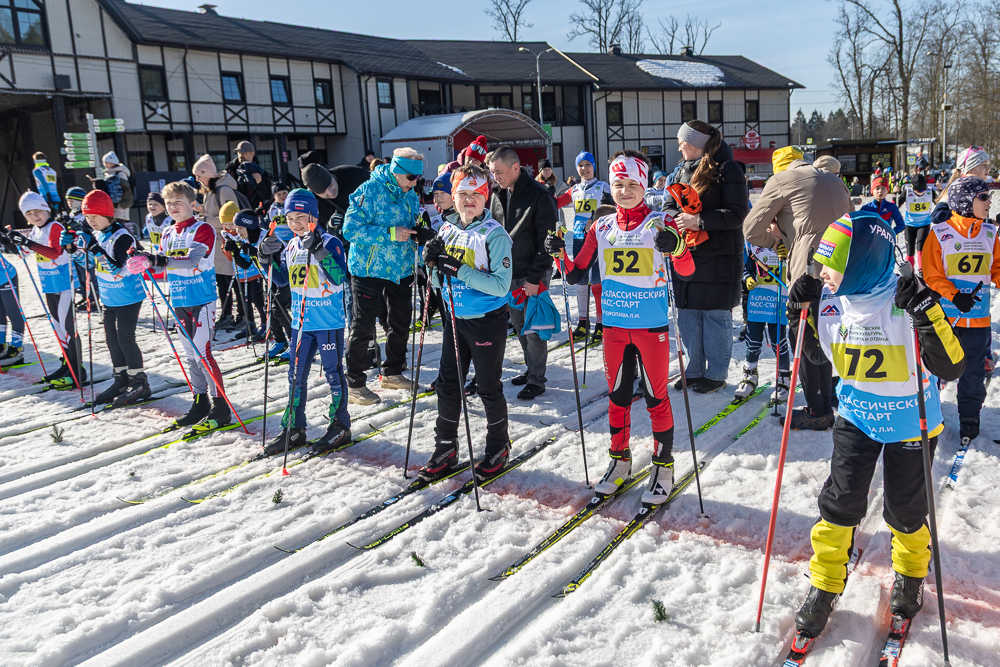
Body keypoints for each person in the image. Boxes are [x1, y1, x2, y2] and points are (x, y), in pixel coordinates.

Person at [786, 210, 965, 641]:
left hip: (910, 423)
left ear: (863, 262)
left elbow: (952, 365)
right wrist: (799, 312)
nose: (824, 273)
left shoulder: (903, 299)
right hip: (856, 418)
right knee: (839, 503)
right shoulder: (831, 302)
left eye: (834, 264)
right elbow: (811, 356)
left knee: (905, 511)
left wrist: (926, 312)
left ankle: (909, 574)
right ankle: (826, 583)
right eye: (822, 263)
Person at [543, 150, 695, 504]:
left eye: (632, 184)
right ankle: (619, 460)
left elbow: (687, 271)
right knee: (618, 398)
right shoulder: (602, 225)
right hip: (612, 326)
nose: (625, 191)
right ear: (610, 187)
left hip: (650, 327)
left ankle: (663, 466)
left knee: (657, 398)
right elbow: (577, 273)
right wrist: (559, 253)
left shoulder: (661, 223)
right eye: (618, 184)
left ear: (643, 184)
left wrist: (676, 249)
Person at [743, 145, 854, 430]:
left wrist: (777, 243)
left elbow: (751, 230)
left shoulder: (781, 180)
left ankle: (818, 410)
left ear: (778, 168)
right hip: (844, 269)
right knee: (827, 333)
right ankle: (828, 396)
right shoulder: (835, 180)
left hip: (809, 271)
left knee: (804, 339)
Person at [418, 165, 513, 481]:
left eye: (476, 194)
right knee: (447, 384)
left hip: (487, 321)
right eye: (463, 195)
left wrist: (460, 270)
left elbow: (501, 286)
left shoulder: (494, 234)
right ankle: (445, 446)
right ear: (453, 199)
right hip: (455, 320)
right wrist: (429, 263)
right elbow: (436, 281)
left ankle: (498, 446)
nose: (469, 200)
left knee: (487, 387)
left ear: (485, 197)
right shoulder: (446, 230)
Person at [127, 180, 231, 434]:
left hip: (202, 300)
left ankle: (221, 407)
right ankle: (200, 401)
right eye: (169, 203)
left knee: (203, 355)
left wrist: (157, 259)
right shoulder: (167, 232)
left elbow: (192, 260)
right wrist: (145, 263)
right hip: (179, 301)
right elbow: (164, 267)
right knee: (190, 358)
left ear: (193, 204)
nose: (172, 207)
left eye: (178, 202)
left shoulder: (203, 228)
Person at [258, 189, 351, 454]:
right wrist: (266, 257)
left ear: (313, 215)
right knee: (295, 376)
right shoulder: (291, 245)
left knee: (334, 374)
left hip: (327, 322)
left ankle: (340, 426)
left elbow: (338, 278)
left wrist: (318, 249)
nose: (295, 223)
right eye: (289, 218)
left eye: (301, 216)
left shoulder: (330, 241)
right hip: (301, 324)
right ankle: (294, 428)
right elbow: (280, 281)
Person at [661, 120, 749, 394]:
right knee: (687, 315)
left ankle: (716, 373)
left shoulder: (727, 169)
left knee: (713, 316)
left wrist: (700, 220)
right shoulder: (678, 172)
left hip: (719, 256)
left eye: (682, 142)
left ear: (696, 143)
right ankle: (695, 368)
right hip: (685, 253)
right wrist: (676, 219)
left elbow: (737, 213)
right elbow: (667, 206)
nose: (679, 147)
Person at [343, 147, 434, 404]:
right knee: (363, 325)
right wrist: (390, 233)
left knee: (400, 321)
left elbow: (412, 223)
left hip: (400, 268)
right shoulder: (368, 191)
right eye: (411, 178)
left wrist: (420, 233)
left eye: (418, 179)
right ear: (396, 172)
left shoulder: (411, 196)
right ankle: (354, 383)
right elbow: (350, 230)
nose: (414, 184)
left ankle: (392, 372)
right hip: (368, 269)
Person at [921, 176, 1000, 444]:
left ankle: (969, 418)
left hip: (978, 320)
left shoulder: (990, 233)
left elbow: (997, 269)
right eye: (984, 197)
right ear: (966, 201)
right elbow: (931, 273)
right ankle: (932, 413)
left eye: (989, 196)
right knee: (937, 369)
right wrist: (953, 295)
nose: (989, 202)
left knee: (974, 374)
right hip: (947, 320)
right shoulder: (940, 233)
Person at [64, 190, 151, 405]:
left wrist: (94, 248)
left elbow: (118, 271)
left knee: (125, 339)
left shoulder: (122, 236)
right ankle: (121, 379)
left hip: (128, 296)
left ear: (107, 214)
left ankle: (139, 382)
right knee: (111, 340)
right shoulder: (99, 234)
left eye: (95, 216)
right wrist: (71, 249)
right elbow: (90, 264)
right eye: (87, 217)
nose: (90, 221)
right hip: (108, 296)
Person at [489, 145, 559, 400]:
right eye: (492, 172)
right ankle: (531, 370)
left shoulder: (540, 196)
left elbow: (547, 240)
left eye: (499, 171)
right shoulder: (498, 193)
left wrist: (534, 277)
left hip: (532, 273)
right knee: (519, 325)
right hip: (507, 272)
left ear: (515, 167)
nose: (495, 176)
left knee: (534, 328)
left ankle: (537, 380)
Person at [9, 192, 84, 386]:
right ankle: (66, 364)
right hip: (49, 286)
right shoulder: (35, 230)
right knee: (58, 328)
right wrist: (8, 238)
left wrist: (28, 243)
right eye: (29, 213)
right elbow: (22, 253)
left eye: (38, 211)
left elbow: (54, 252)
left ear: (46, 210)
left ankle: (78, 371)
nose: (35, 216)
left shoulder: (55, 227)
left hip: (64, 285)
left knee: (68, 329)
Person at [554, 151, 614, 344]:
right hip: (579, 238)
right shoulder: (575, 190)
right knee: (580, 282)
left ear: (594, 166)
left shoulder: (603, 186)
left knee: (596, 283)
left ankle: (601, 324)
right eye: (580, 165)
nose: (584, 169)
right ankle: (583, 322)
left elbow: (612, 209)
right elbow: (555, 204)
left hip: (597, 239)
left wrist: (595, 219)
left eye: (588, 165)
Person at [737, 226, 790, 403]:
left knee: (778, 341)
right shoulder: (754, 244)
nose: (768, 226)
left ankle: (783, 377)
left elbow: (795, 271)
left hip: (778, 300)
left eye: (773, 223)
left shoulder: (788, 242)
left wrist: (788, 257)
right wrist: (748, 278)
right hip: (758, 300)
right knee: (753, 340)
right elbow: (747, 269)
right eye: (765, 223)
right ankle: (750, 374)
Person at [193, 153, 240, 331]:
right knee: (222, 281)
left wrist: (204, 220)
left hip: (228, 242)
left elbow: (231, 218)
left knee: (233, 282)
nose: (197, 179)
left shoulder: (223, 189)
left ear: (208, 174)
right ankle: (227, 315)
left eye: (199, 175)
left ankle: (241, 316)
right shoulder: (210, 190)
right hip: (217, 244)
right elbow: (214, 212)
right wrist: (201, 210)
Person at [218, 202, 267, 340]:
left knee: (258, 300)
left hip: (254, 272)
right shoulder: (225, 233)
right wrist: (228, 249)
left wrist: (239, 250)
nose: (229, 227)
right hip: (239, 273)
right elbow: (229, 256)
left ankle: (265, 324)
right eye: (225, 223)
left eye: (231, 223)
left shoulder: (244, 232)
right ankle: (250, 324)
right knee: (244, 301)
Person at [897, 173, 935, 269]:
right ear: (913, 188)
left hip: (924, 224)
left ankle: (922, 272)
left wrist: (939, 190)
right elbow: (895, 206)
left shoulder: (930, 192)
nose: (921, 192)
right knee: (910, 252)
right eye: (918, 190)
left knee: (921, 250)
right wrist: (894, 195)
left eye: (923, 189)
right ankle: (910, 273)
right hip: (910, 225)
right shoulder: (907, 193)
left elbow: (940, 203)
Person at [0, 229, 25, 367]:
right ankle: (1, 345)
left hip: (5, 277)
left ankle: (16, 348)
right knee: (0, 314)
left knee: (13, 312)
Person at [224, 141, 271, 210]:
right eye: (239, 153)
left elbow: (266, 197)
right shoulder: (230, 169)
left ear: (252, 154)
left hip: (252, 210)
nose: (240, 155)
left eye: (244, 153)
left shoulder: (261, 172)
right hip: (234, 208)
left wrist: (260, 183)